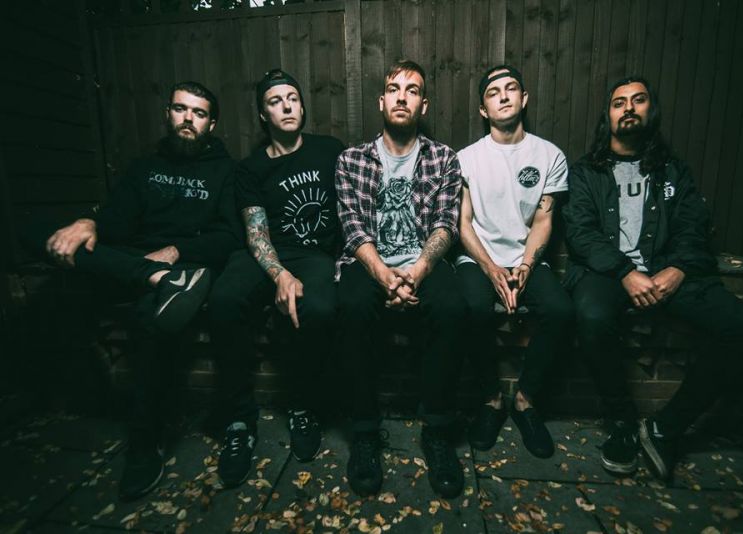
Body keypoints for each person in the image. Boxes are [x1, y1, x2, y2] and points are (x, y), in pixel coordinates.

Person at [35, 81, 241, 499]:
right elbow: (114, 222)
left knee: (152, 320)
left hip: (184, 269)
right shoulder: (144, 167)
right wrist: (89, 223)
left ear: (211, 124)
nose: (188, 119)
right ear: (168, 114)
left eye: (199, 113)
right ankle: (149, 275)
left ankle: (144, 443)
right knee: (44, 237)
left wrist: (177, 250)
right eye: (181, 109)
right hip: (136, 262)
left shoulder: (225, 172)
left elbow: (229, 237)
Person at [563, 76, 743, 479]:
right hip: (607, 273)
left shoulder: (673, 170)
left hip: (667, 271)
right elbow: (581, 232)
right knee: (591, 316)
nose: (628, 108)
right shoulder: (587, 171)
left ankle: (665, 428)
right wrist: (625, 272)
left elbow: (694, 226)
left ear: (650, 111)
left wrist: (679, 268)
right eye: (619, 103)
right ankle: (622, 421)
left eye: (637, 100)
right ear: (608, 117)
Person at [335, 60, 467, 498]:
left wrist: (417, 272)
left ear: (422, 105)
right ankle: (364, 432)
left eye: (412, 90)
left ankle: (437, 430)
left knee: (452, 306)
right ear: (381, 101)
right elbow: (353, 227)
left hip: (424, 263)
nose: (402, 97)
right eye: (394, 88)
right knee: (351, 305)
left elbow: (445, 225)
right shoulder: (352, 160)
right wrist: (384, 275)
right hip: (368, 262)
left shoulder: (443, 158)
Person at [208, 69, 344, 486]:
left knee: (319, 308)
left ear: (302, 107)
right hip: (265, 254)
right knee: (224, 300)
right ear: (263, 115)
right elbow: (256, 234)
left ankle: (303, 405)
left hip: (314, 255)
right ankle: (238, 421)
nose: (286, 106)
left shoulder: (330, 150)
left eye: (292, 98)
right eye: (275, 101)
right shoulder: (250, 169)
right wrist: (280, 275)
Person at [455, 65, 573, 458]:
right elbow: (463, 223)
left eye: (511, 89)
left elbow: (543, 220)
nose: (503, 96)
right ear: (483, 109)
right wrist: (491, 270)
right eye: (493, 92)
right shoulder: (467, 159)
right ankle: (491, 399)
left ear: (524, 99)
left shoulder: (550, 155)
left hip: (526, 258)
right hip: (478, 258)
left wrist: (523, 268)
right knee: (471, 307)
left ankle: (525, 401)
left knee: (560, 310)